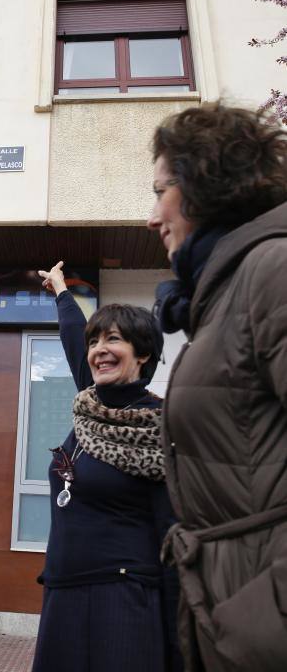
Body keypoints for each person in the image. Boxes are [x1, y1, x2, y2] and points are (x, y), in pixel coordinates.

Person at [147, 101, 287, 672]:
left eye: (160, 192)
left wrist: (263, 614)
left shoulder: (272, 268)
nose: (153, 217)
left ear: (203, 183)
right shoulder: (222, 295)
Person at [31, 261, 182, 672]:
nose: (99, 349)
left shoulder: (158, 426)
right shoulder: (93, 408)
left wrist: (177, 643)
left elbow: (174, 539)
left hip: (125, 598)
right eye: (95, 340)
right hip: (64, 588)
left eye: (113, 339)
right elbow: (73, 340)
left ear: (143, 352)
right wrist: (62, 289)